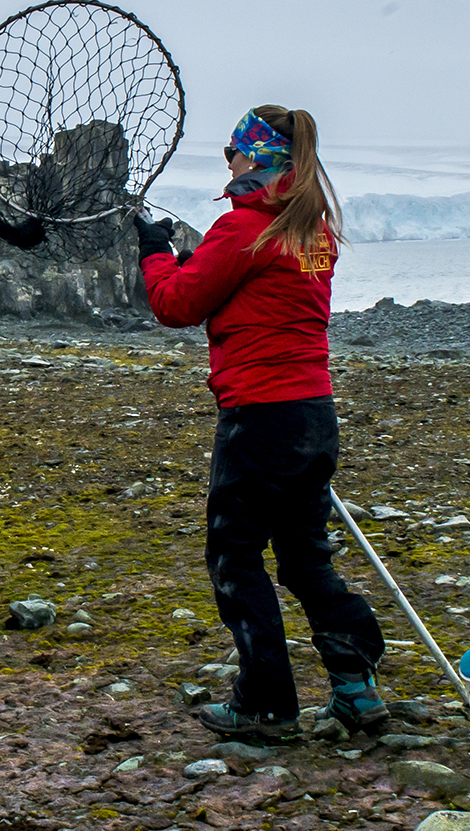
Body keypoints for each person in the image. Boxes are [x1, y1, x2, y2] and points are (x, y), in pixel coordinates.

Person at [136, 106, 388, 746]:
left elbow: (176, 304)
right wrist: (196, 259)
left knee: (235, 554)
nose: (227, 162)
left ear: (256, 157)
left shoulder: (244, 227)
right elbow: (252, 291)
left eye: (232, 151)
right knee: (304, 556)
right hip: (312, 413)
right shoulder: (312, 232)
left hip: (259, 415)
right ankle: (356, 689)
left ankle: (266, 704)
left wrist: (155, 254)